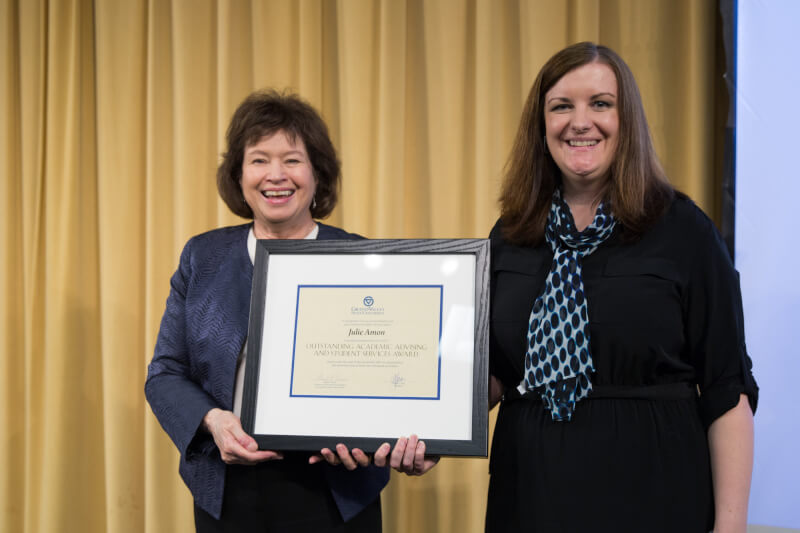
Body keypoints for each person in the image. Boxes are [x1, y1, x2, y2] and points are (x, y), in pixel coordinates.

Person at [485, 42, 757, 533]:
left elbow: (726, 388)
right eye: (561, 106)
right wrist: (424, 424)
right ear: (540, 124)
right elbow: (496, 375)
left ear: (625, 118)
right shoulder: (510, 233)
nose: (580, 121)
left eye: (601, 104)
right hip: (531, 494)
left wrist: (731, 526)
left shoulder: (684, 230)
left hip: (656, 490)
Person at [145, 90, 435, 532]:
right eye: (259, 159)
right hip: (227, 490)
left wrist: (401, 436)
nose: (275, 175)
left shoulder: (364, 260)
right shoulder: (202, 257)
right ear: (239, 175)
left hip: (337, 491)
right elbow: (165, 373)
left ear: (318, 174)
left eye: (293, 160)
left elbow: (396, 376)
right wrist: (215, 422)